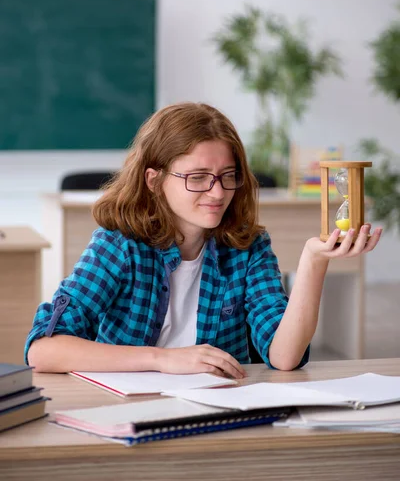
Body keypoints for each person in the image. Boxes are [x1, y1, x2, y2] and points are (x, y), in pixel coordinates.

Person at [26, 103, 382, 377]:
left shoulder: (249, 248)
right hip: (126, 411)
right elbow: (43, 350)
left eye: (227, 175)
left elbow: (284, 357)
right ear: (154, 180)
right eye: (197, 177)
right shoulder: (120, 244)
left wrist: (313, 261)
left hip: (218, 412)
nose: (217, 192)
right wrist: (162, 360)